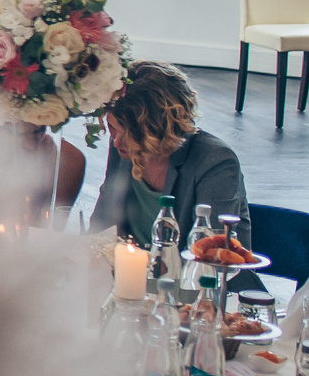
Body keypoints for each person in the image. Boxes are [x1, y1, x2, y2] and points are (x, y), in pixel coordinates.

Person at [92, 62, 249, 244]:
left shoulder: (216, 162)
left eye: (131, 134)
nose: (117, 141)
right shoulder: (123, 148)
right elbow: (100, 228)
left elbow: (210, 257)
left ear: (160, 127)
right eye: (112, 127)